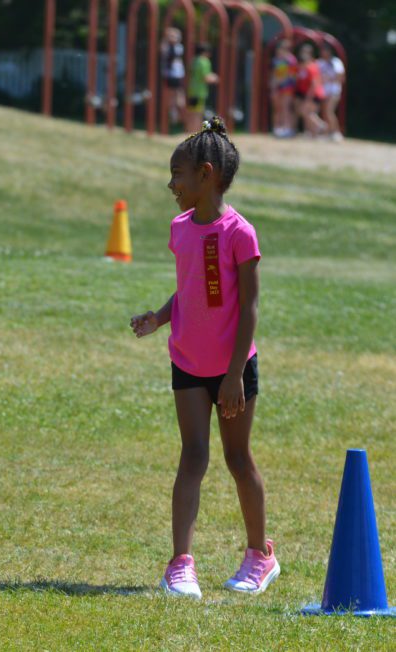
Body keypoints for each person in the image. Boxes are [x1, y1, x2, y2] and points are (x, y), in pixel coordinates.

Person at [131, 117, 279, 599]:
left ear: (206, 175)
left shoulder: (241, 233)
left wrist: (236, 373)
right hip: (188, 362)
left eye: (177, 174)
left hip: (234, 369)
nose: (171, 184)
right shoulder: (179, 228)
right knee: (192, 456)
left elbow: (250, 305)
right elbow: (190, 290)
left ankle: (261, 556)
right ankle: (180, 565)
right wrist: (159, 317)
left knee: (238, 458)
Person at [294, 43, 327, 137]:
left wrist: (308, 99)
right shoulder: (309, 67)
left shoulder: (310, 68)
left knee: (306, 112)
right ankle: (314, 132)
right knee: (307, 113)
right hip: (314, 94)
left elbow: (314, 85)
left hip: (315, 94)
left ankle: (321, 125)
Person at [185, 43, 219, 133]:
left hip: (191, 89)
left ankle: (189, 131)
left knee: (192, 112)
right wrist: (215, 78)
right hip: (200, 91)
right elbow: (206, 77)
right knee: (198, 113)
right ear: (205, 52)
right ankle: (195, 132)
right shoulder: (204, 61)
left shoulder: (193, 60)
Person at [269, 40, 297, 138]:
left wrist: (280, 81)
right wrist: (273, 87)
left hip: (287, 87)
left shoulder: (291, 60)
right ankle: (277, 128)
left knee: (285, 107)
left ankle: (287, 128)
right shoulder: (276, 60)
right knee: (277, 108)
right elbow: (273, 74)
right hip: (278, 87)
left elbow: (292, 75)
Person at [318, 44, 346, 142]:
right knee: (325, 113)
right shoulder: (320, 63)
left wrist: (329, 79)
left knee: (329, 111)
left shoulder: (336, 62)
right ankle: (328, 133)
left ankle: (336, 133)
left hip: (334, 90)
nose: (324, 53)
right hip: (323, 91)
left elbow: (340, 76)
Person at [160, 27, 186, 130]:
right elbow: (163, 50)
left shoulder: (178, 47)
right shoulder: (166, 46)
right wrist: (166, 38)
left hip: (177, 74)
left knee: (179, 94)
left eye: (174, 36)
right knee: (170, 95)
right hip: (169, 74)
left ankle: (179, 114)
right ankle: (173, 113)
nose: (172, 38)